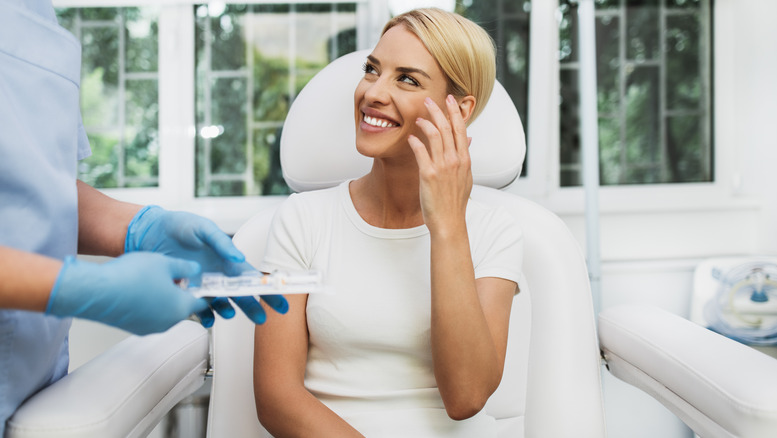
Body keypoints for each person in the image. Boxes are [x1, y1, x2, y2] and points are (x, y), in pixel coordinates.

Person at [0, 0, 288, 433]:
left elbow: (35, 192)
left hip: (32, 391)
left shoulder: (36, 16)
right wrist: (80, 288)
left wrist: (137, 228)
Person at [252, 8, 525, 437]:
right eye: (371, 70)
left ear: (460, 109)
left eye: (407, 79)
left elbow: (466, 397)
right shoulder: (301, 219)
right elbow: (276, 397)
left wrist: (448, 224)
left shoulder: (496, 230)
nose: (373, 93)